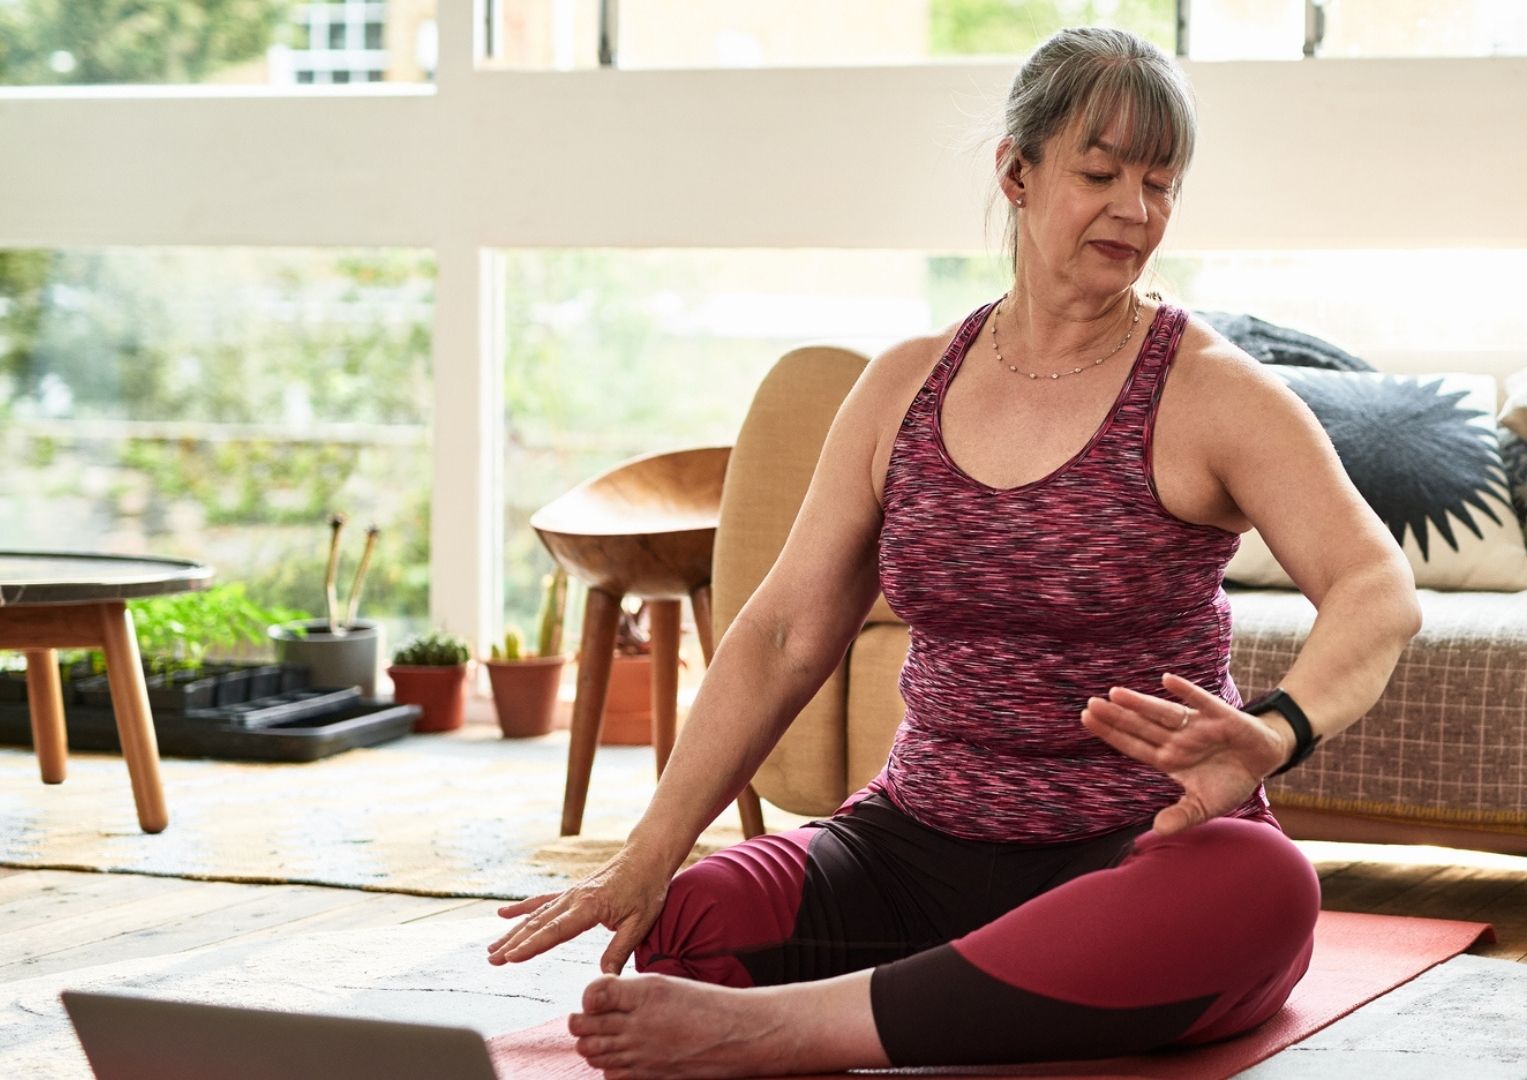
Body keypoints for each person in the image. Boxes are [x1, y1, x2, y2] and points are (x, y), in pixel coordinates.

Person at [487, 26, 1420, 1079]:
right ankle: (958, 999)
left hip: (1137, 851)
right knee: (690, 925)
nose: (1137, 210)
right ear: (1015, 174)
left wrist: (1277, 729)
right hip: (913, 847)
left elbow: (1375, 586)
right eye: (1102, 173)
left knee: (1265, 893)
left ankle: (796, 1030)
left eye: (1162, 183)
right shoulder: (902, 388)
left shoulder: (1210, 390)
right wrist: (647, 854)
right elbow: (788, 629)